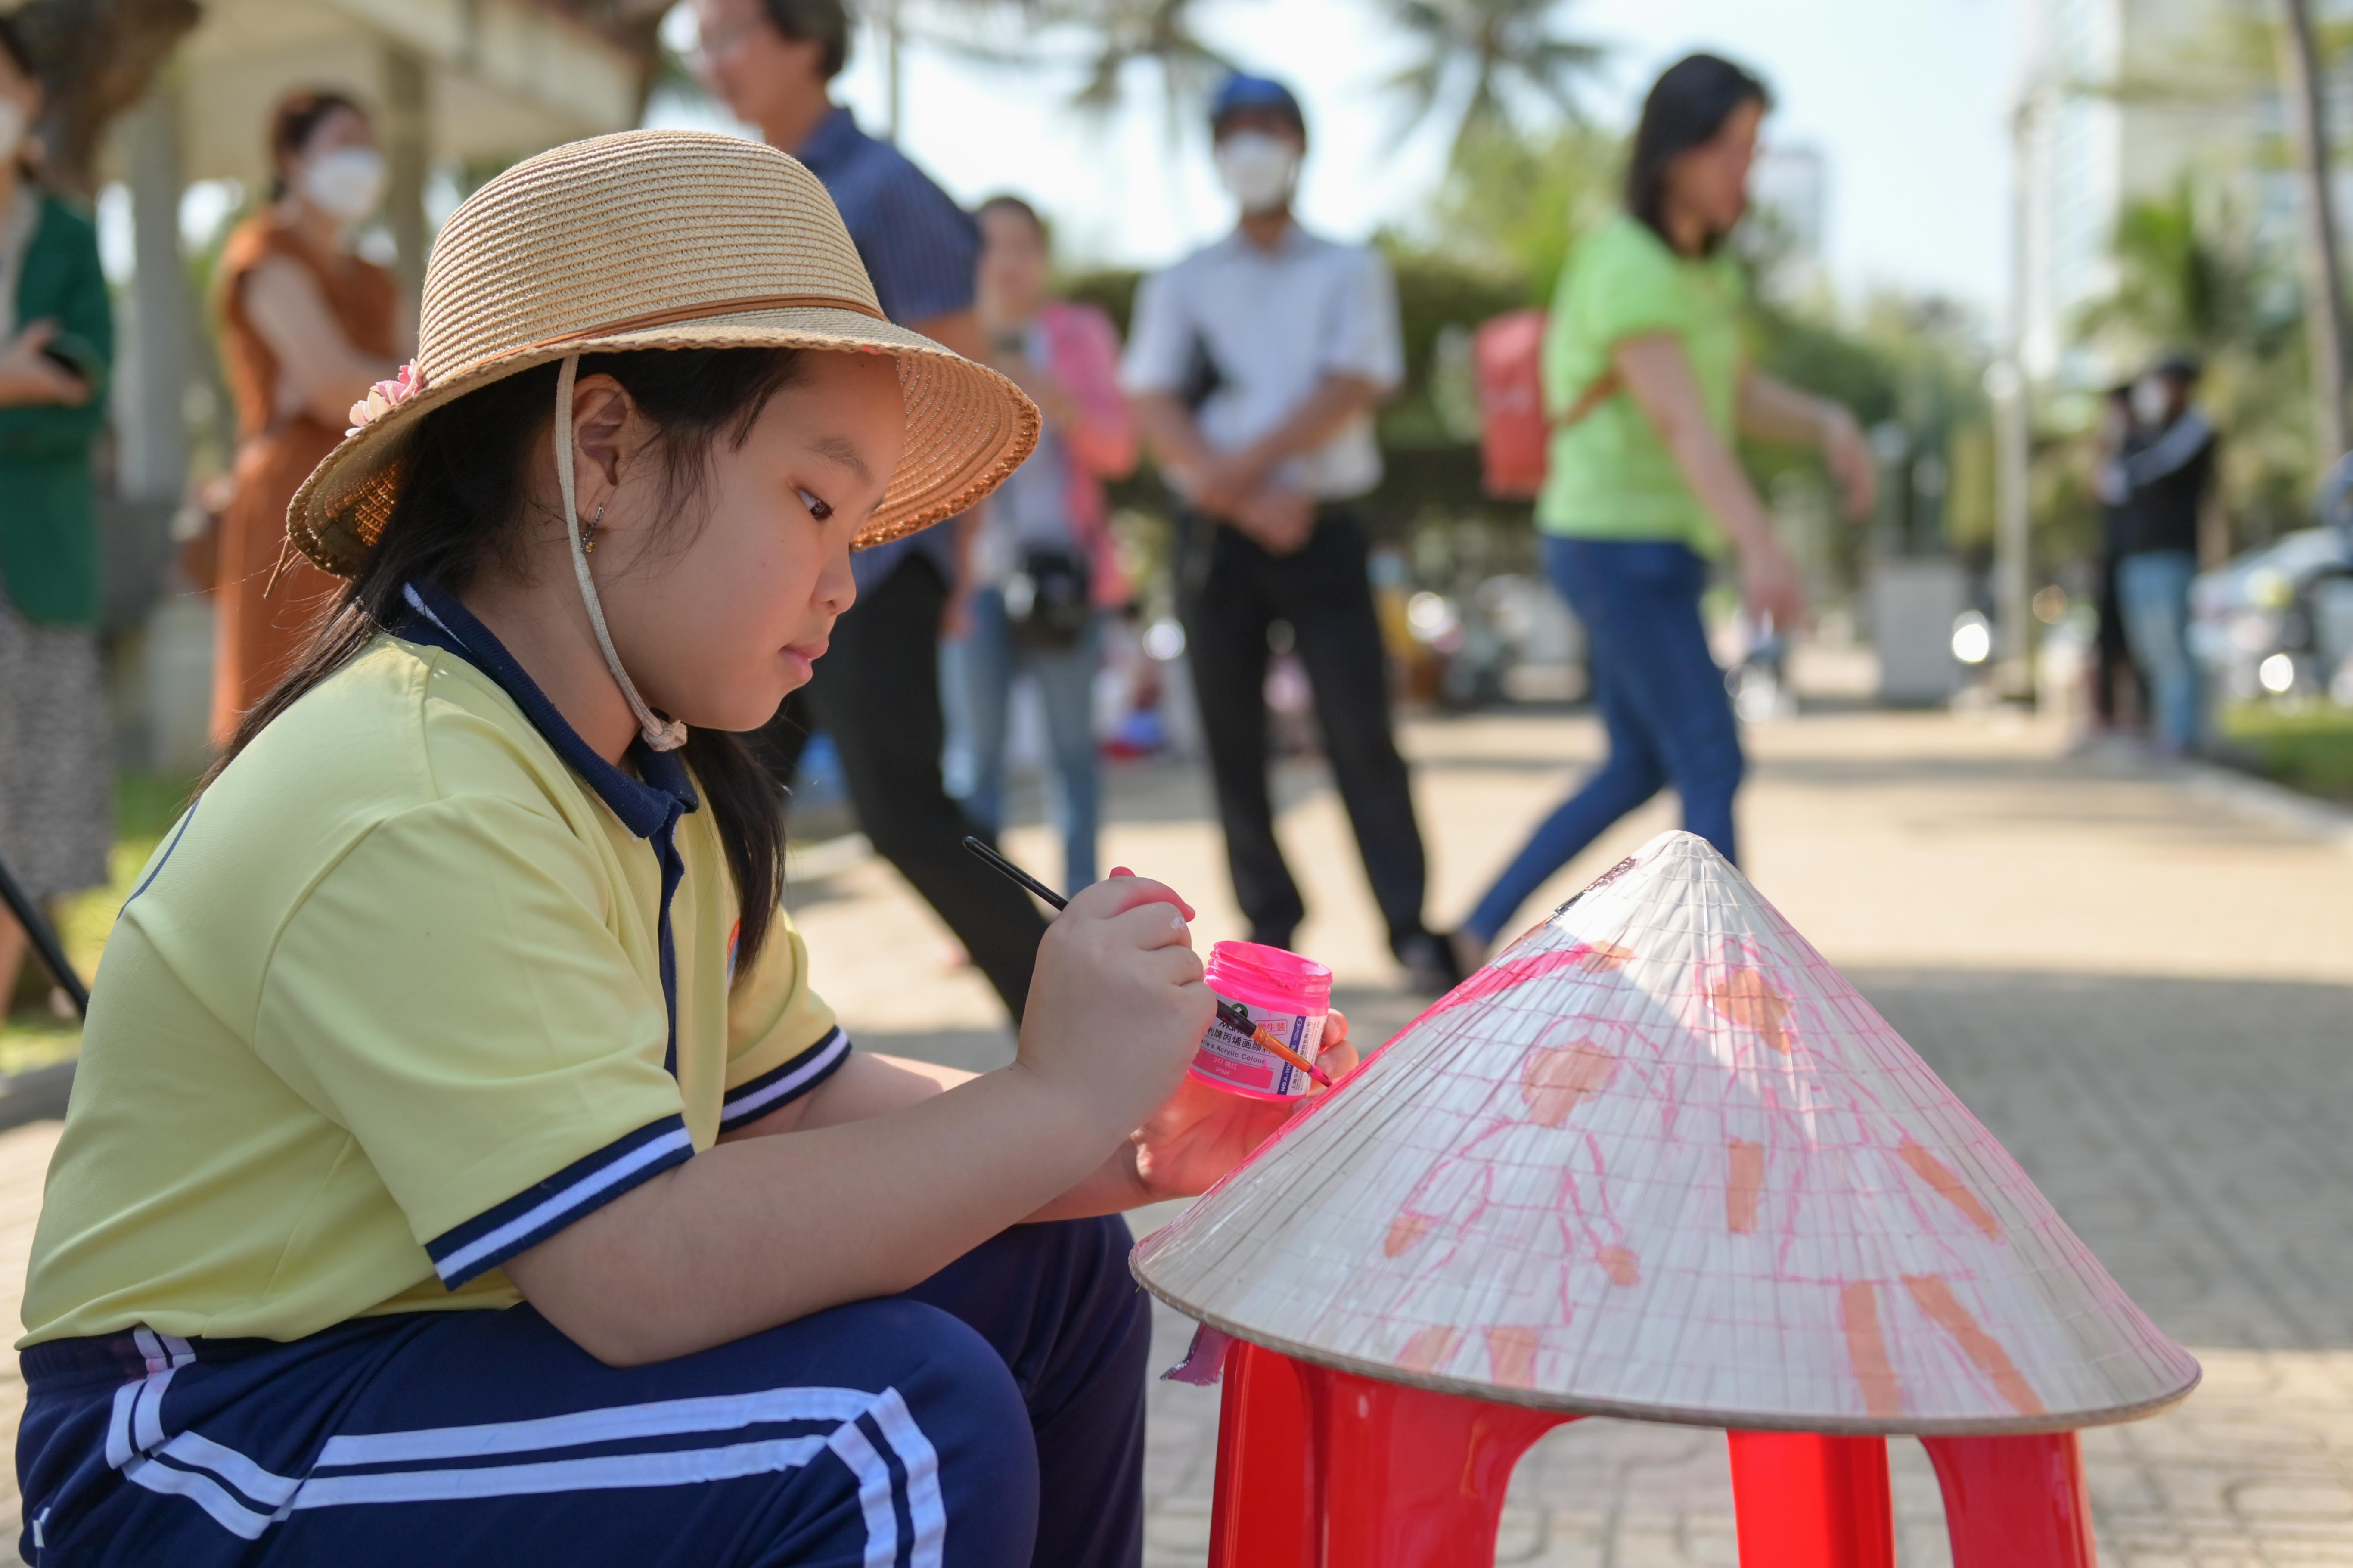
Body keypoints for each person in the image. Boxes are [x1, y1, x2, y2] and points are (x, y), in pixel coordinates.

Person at [14, 130, 1353, 1568]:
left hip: (414, 1362)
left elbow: (794, 1104)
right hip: (206, 1447)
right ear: (599, 452)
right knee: (887, 1431)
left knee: (1050, 1266)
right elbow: (633, 1272)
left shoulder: (638, 774)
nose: (849, 580)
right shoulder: (415, 787)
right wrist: (1046, 1102)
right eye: (817, 503)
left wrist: (1124, 1133)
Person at [1450, 55, 1875, 966]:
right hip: (1614, 544)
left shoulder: (1698, 274)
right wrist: (1762, 545)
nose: (1745, 170)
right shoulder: (1626, 262)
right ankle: (1720, 982)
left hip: (1653, 548)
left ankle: (1476, 931)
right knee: (1711, 760)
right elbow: (1684, 422)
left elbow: (1733, 394)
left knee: (1637, 764)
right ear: (1674, 149)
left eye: (1755, 150)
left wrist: (1829, 421)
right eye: (1731, 147)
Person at [689, 0, 1051, 1020]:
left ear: (806, 36)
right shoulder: (758, 194)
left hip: (880, 559)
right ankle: (714, 1039)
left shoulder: (886, 188)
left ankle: (1063, 1007)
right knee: (718, 801)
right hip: (761, 554)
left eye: (730, 34)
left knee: (902, 809)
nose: (710, 60)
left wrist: (956, 556)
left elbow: (960, 379)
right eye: (701, 40)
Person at [1124, 73, 1460, 993]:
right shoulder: (1181, 280)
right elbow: (1152, 396)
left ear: (1301, 145)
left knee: (1362, 729)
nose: (1253, 146)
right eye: (1235, 131)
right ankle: (1268, 928)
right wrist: (1238, 495)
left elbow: (1353, 382)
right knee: (1231, 738)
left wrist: (1248, 472)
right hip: (1218, 536)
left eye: (1270, 128)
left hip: (1323, 523)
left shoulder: (1349, 267)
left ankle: (1410, 925)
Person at [947, 195, 1136, 889]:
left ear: (1044, 256)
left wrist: (1057, 397)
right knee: (975, 759)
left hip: (1065, 575)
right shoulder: (948, 334)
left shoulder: (1077, 334)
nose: (1007, 263)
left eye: (1022, 246)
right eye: (991, 246)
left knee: (1073, 757)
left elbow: (1119, 451)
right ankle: (982, 913)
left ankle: (1082, 907)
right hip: (976, 581)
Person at [208, 90, 407, 744]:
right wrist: (376, 369)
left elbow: (417, 365)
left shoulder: (374, 275)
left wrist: (356, 368)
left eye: (368, 143)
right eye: (343, 141)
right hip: (291, 500)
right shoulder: (263, 251)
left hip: (377, 488)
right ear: (291, 159)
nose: (362, 158)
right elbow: (333, 384)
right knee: (280, 698)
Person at [0, 16, 112, 1017]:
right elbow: (42, 388)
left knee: (34, 803)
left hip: (36, 557)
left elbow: (84, 385)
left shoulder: (67, 235)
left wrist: (45, 386)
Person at [2112, 354, 2214, 757]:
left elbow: (2153, 471)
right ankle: (2164, 731)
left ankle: (2182, 736)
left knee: (2173, 650)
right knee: (2151, 652)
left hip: (2173, 553)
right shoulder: (2143, 434)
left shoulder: (2195, 430)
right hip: (2138, 554)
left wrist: (2137, 448)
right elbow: (2117, 482)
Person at [2088, 383, 2146, 739]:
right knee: (2107, 639)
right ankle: (2106, 718)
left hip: (2140, 555)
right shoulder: (2112, 449)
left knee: (2142, 642)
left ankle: (2140, 718)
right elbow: (2096, 491)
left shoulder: (2146, 447)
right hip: (2115, 555)